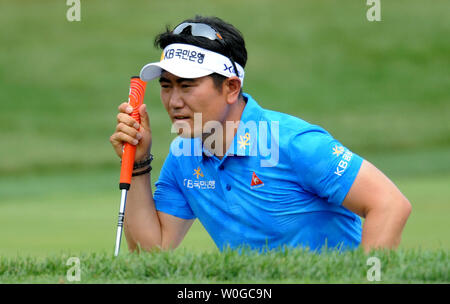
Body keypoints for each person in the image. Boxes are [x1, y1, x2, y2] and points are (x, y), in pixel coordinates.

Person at [109, 15, 411, 253]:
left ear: (231, 88)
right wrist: (138, 161)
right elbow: (153, 252)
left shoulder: (293, 143)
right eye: (166, 85)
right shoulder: (182, 155)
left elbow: (389, 204)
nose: (174, 102)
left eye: (187, 86)